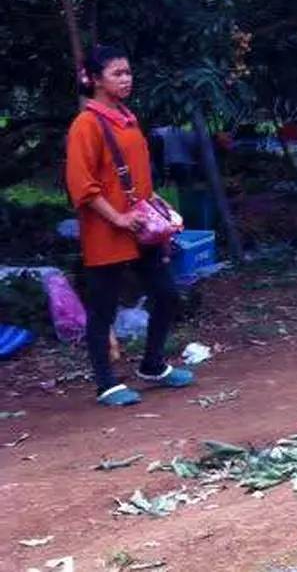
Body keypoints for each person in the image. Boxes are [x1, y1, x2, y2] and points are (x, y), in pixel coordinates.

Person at [66, 45, 195, 407]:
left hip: (142, 227)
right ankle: (106, 383)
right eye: (117, 73)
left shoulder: (127, 117)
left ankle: (153, 364)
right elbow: (82, 186)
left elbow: (137, 177)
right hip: (106, 231)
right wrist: (119, 218)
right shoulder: (86, 125)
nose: (126, 79)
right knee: (103, 308)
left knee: (166, 294)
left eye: (128, 72)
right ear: (95, 79)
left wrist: (157, 205)